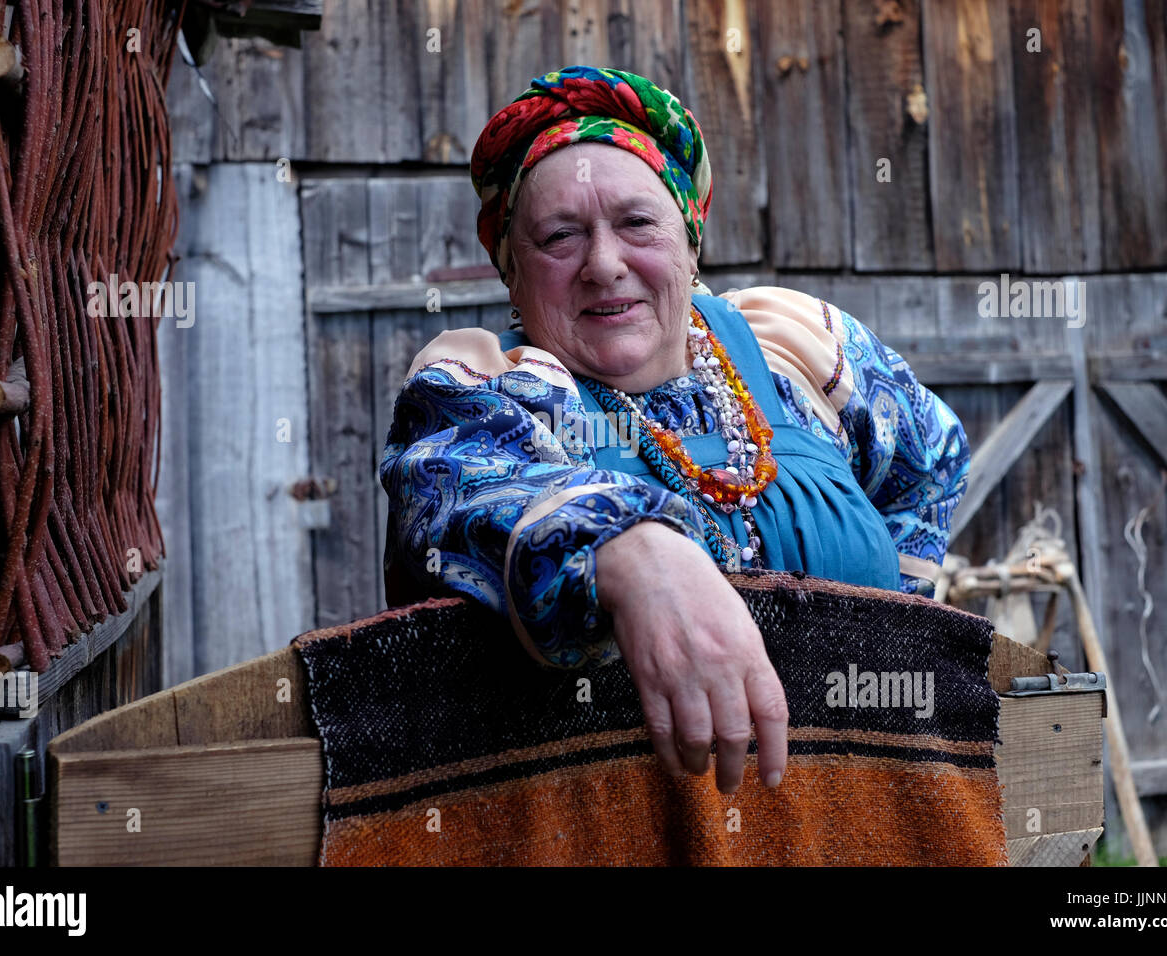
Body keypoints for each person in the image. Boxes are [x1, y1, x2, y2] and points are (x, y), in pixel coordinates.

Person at [380, 66, 969, 796]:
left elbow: (931, 457)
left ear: (692, 243)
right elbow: (461, 490)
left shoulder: (794, 349)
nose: (603, 264)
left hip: (855, 820)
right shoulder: (482, 389)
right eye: (559, 237)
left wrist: (897, 640)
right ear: (512, 271)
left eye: (636, 224)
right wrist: (637, 556)